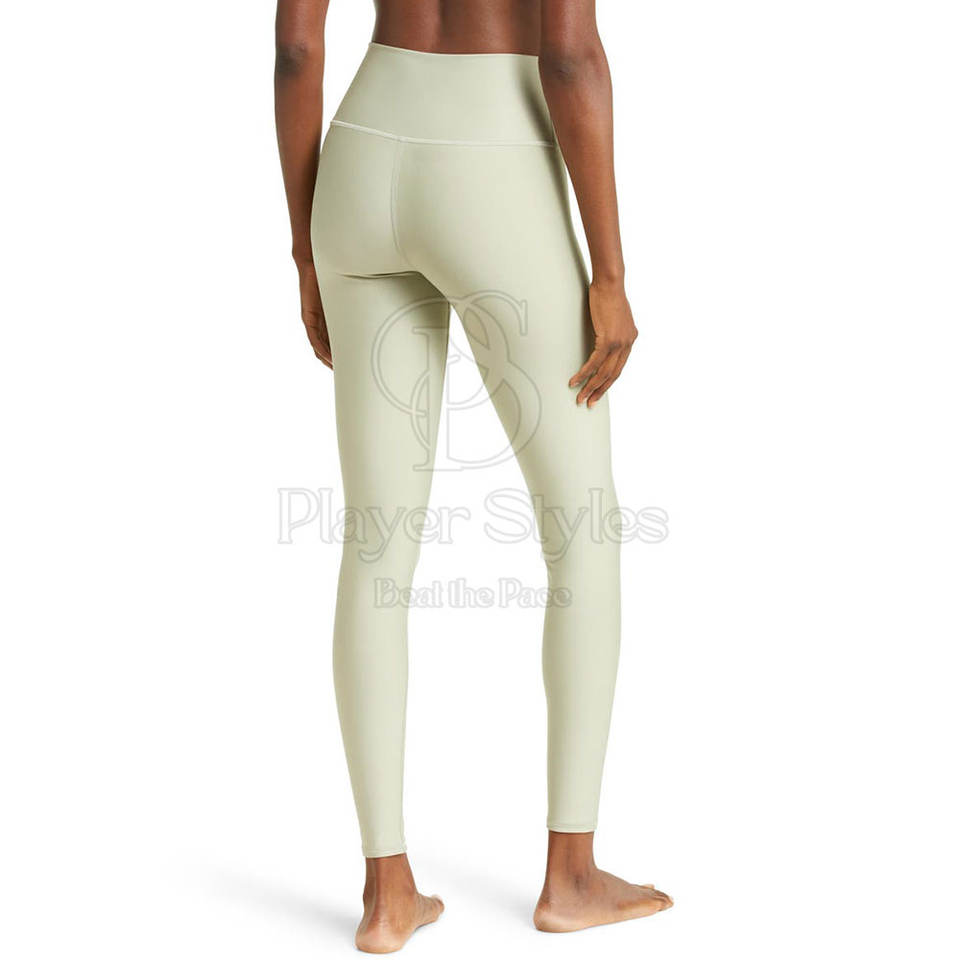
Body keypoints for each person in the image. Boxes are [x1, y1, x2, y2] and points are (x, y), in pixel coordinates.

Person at [275, 0, 672, 951]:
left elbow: (295, 47)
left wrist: (304, 246)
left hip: (362, 157)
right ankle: (571, 877)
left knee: (377, 545)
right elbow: (570, 57)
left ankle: (387, 894)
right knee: (581, 531)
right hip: (492, 160)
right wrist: (610, 274)